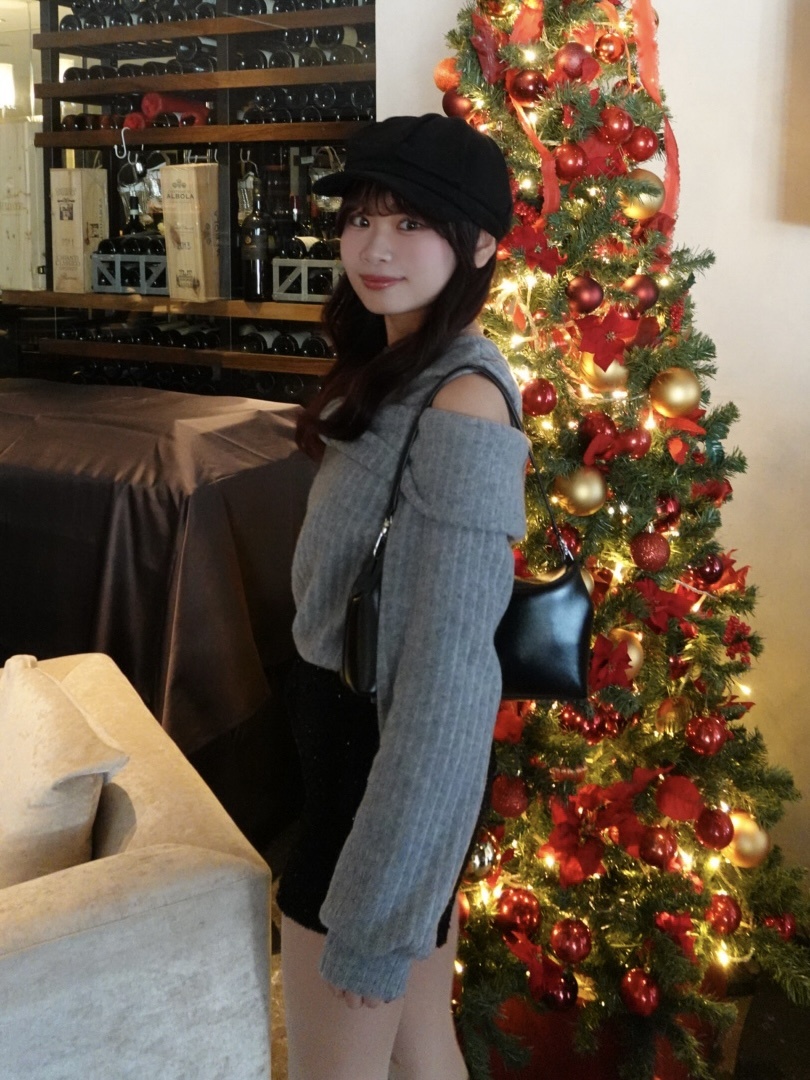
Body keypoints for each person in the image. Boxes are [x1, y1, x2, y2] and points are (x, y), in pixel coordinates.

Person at [277, 114, 528, 1080]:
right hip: (359, 767)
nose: (375, 248)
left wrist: (379, 915)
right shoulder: (396, 366)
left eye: (411, 222)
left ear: (480, 243)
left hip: (378, 790)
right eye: (361, 218)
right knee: (424, 1054)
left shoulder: (462, 401)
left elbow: (450, 683)